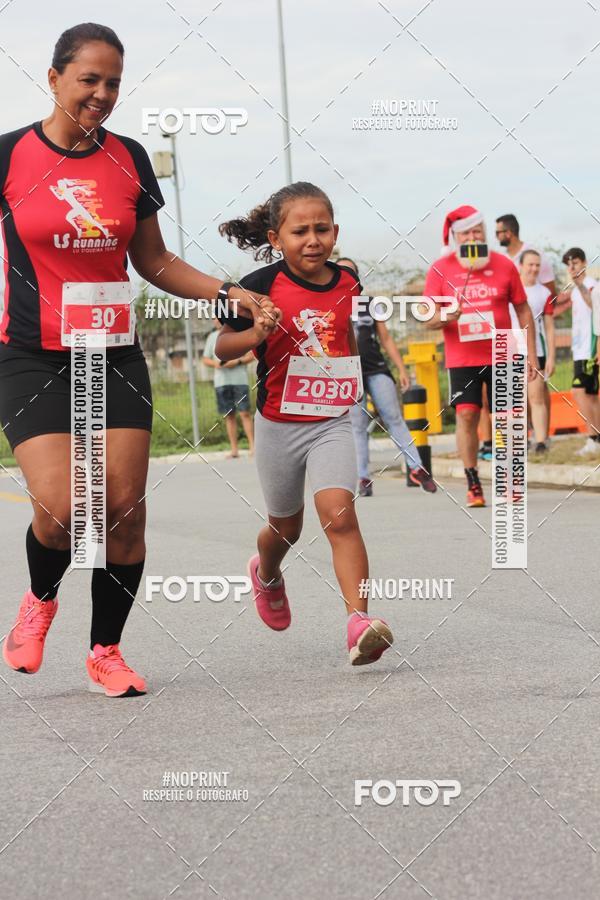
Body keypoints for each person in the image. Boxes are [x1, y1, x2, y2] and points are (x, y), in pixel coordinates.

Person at [0, 23, 274, 697]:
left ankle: (106, 652)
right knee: (63, 506)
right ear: (55, 76)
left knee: (123, 510)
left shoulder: (129, 158)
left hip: (115, 354)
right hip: (33, 356)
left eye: (114, 82)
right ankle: (38, 602)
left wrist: (225, 290)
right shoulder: (8, 155)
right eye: (89, 79)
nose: (101, 94)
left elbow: (153, 261)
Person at [216, 182, 394, 666]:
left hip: (332, 419)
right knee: (285, 527)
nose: (312, 240)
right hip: (278, 424)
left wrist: (353, 383)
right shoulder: (258, 287)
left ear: (335, 232)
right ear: (276, 238)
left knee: (340, 513)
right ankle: (267, 572)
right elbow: (222, 349)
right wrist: (256, 332)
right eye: (300, 231)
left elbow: (348, 341)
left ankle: (359, 623)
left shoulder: (348, 283)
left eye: (321, 229)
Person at [424, 205, 537, 507]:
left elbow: (523, 309)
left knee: (508, 418)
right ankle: (473, 481)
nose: (473, 237)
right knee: (467, 415)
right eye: (466, 233)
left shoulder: (503, 264)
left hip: (504, 351)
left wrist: (531, 353)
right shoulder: (440, 268)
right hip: (462, 357)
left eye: (478, 231)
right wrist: (446, 316)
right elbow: (427, 316)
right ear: (455, 237)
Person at [335, 257, 436, 496]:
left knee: (394, 417)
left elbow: (386, 339)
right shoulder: (332, 304)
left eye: (352, 273)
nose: (347, 277)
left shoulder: (370, 303)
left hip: (376, 368)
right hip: (348, 373)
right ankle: (362, 477)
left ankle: (417, 467)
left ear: (357, 278)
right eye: (341, 272)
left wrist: (401, 369)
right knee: (357, 427)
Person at [555, 248, 600, 455]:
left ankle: (593, 438)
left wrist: (580, 284)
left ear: (583, 263)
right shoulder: (573, 291)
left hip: (589, 348)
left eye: (575, 262)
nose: (571, 267)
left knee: (579, 392)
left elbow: (595, 308)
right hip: (579, 349)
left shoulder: (591, 286)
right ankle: (595, 439)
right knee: (589, 395)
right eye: (568, 264)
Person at [518, 250, 555, 453]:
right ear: (521, 266)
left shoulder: (544, 293)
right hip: (513, 351)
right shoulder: (512, 291)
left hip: (537, 351)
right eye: (530, 264)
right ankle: (522, 440)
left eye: (537, 265)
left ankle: (541, 441)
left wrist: (551, 356)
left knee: (536, 397)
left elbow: (549, 328)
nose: (533, 269)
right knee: (518, 400)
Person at [202, 319, 255, 457]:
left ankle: (252, 448)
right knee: (229, 416)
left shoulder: (240, 333)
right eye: (214, 317)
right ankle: (234, 450)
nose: (216, 320)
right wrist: (217, 364)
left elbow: (252, 355)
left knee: (245, 413)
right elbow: (205, 359)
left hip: (240, 381)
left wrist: (237, 361)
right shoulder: (212, 337)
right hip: (221, 382)